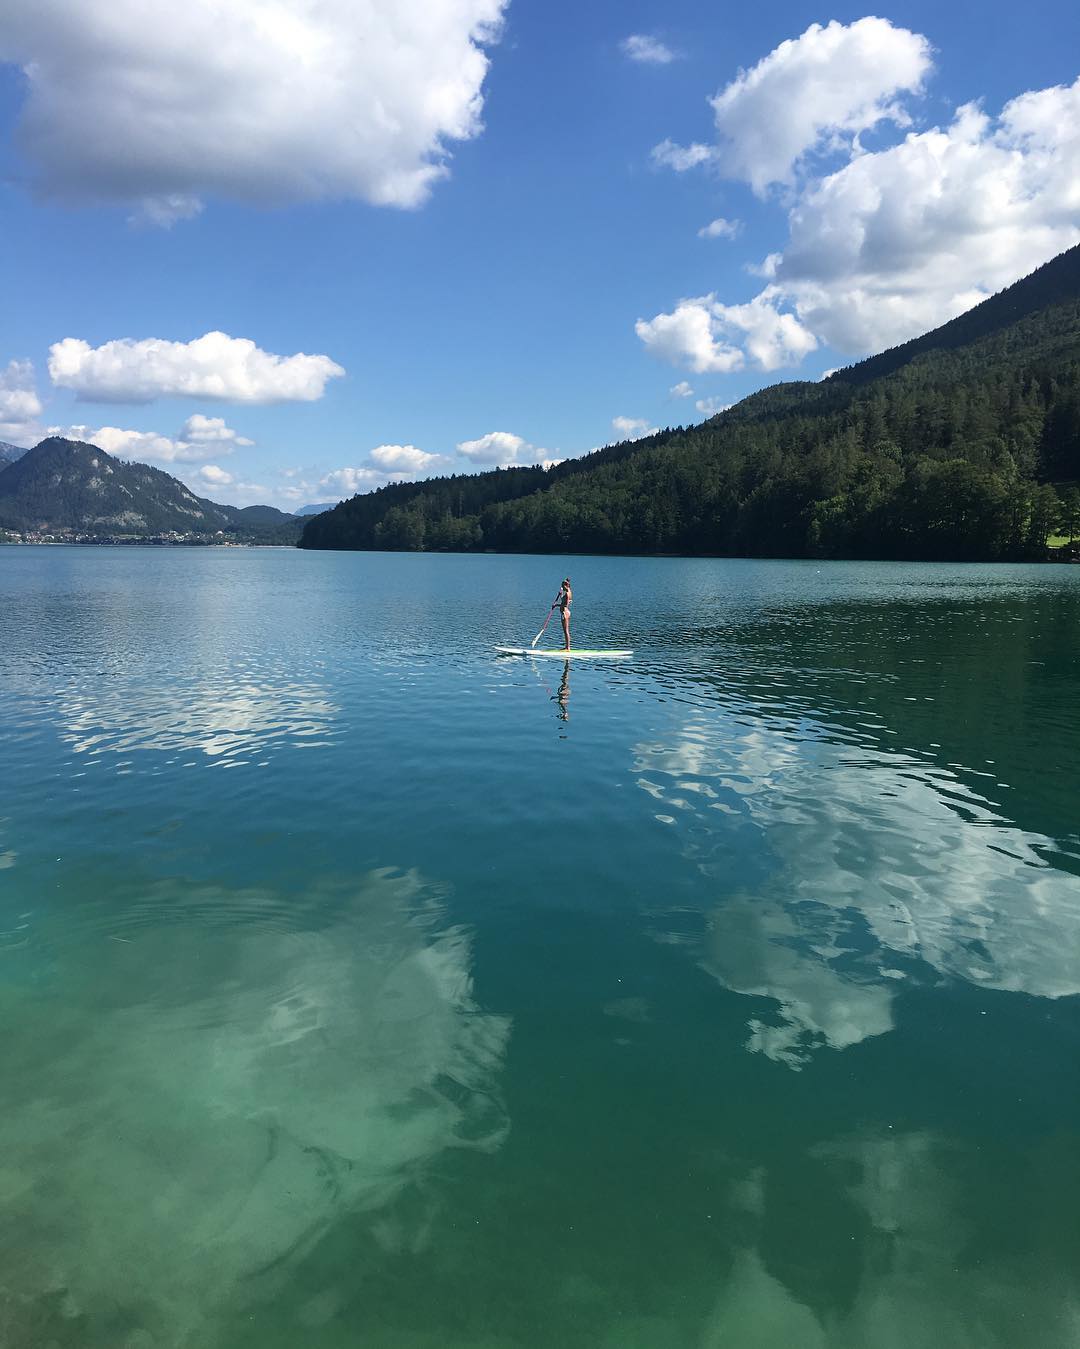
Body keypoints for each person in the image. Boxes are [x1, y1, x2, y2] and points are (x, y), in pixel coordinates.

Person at [555, 576, 572, 650]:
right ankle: (566, 647)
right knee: (565, 631)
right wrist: (560, 595)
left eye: (562, 586)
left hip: (564, 613)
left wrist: (556, 605)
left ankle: (567, 648)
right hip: (565, 612)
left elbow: (565, 605)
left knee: (566, 631)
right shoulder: (569, 591)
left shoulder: (568, 594)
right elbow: (564, 600)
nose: (562, 588)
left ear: (566, 586)